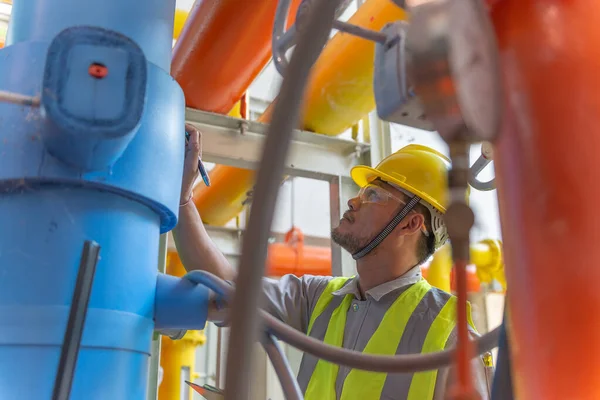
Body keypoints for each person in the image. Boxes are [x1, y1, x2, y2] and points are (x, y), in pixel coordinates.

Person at [171, 124, 492, 399]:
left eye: (374, 195)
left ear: (410, 224)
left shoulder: (452, 337)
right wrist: (183, 199)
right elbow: (228, 289)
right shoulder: (321, 299)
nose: (355, 199)